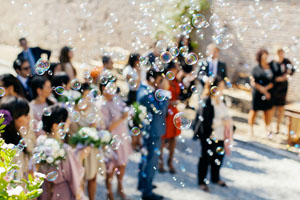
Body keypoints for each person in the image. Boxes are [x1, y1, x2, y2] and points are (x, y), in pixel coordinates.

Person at [38, 106, 85, 200]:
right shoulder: (64, 149)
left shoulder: (40, 142)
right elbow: (73, 177)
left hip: (45, 192)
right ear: (56, 126)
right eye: (66, 120)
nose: (69, 122)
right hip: (63, 193)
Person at [194, 76, 232, 192]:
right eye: (220, 86)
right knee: (206, 158)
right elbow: (204, 122)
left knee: (218, 157)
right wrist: (222, 122)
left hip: (221, 135)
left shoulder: (222, 100)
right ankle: (201, 181)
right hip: (209, 135)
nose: (222, 89)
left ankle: (215, 178)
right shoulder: (206, 101)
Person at [137, 70, 169, 200]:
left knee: (146, 159)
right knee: (151, 162)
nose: (162, 83)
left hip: (151, 131)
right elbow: (160, 110)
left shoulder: (147, 90)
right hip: (153, 132)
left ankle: (144, 184)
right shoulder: (146, 92)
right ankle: (147, 192)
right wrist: (165, 92)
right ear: (154, 79)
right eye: (160, 80)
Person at [69, 83, 104, 200]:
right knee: (80, 179)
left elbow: (101, 127)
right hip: (78, 149)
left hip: (92, 149)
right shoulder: (72, 111)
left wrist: (95, 131)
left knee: (93, 177)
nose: (87, 98)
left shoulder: (94, 108)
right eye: (85, 95)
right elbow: (71, 133)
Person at [100, 80, 132, 200]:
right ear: (103, 88)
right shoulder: (102, 105)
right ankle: (109, 193)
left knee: (122, 164)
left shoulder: (116, 99)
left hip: (122, 137)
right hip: (111, 140)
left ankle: (120, 187)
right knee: (111, 168)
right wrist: (122, 118)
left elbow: (125, 109)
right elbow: (107, 128)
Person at [0, 96, 35, 177]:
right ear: (14, 117)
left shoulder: (20, 137)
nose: (29, 118)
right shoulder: (5, 147)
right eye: (25, 114)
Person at [159, 61, 181, 174]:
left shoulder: (176, 80)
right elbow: (161, 99)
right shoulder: (165, 81)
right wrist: (171, 102)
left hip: (174, 111)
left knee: (173, 138)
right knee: (163, 138)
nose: (176, 71)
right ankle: (160, 161)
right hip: (167, 111)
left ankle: (170, 161)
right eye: (175, 69)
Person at [248, 49, 274, 137]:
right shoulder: (256, 68)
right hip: (258, 93)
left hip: (268, 93)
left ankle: (267, 130)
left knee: (267, 112)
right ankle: (251, 129)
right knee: (254, 111)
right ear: (260, 56)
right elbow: (253, 81)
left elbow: (273, 81)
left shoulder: (271, 67)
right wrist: (263, 90)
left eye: (267, 54)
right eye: (264, 55)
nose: (266, 56)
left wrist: (266, 90)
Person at [271, 48, 294, 134]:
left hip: (283, 88)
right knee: (272, 108)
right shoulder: (273, 63)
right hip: (274, 88)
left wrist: (287, 74)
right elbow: (270, 74)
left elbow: (292, 71)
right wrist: (276, 78)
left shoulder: (287, 62)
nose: (281, 55)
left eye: (282, 53)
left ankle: (278, 127)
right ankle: (270, 126)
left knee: (281, 107)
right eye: (279, 53)